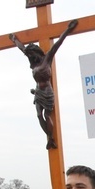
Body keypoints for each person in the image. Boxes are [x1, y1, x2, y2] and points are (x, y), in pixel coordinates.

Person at [10, 20, 77, 149]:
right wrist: (14, 40)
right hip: (38, 92)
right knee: (39, 116)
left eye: (32, 54)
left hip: (47, 92)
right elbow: (22, 48)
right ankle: (49, 138)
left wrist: (68, 30)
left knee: (47, 115)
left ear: (37, 53)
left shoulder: (47, 59)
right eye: (29, 56)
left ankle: (51, 138)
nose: (31, 57)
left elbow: (58, 43)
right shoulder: (34, 63)